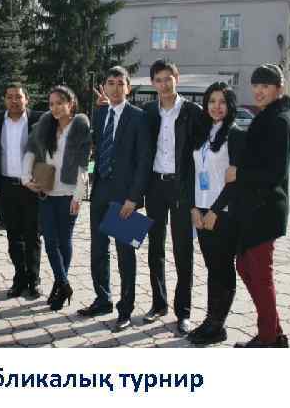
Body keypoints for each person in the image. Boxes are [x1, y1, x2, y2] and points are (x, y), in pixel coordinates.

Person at [78, 66, 152, 332]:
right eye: (111, 83)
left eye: (121, 83)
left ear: (128, 88)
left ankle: (125, 309)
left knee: (125, 255)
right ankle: (103, 300)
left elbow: (144, 161)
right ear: (105, 87)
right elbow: (96, 147)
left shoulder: (139, 117)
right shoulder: (100, 113)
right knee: (98, 249)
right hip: (100, 191)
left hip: (124, 196)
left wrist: (134, 198)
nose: (116, 87)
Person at [226, 63, 290, 348]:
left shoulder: (278, 122)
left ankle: (268, 340)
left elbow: (275, 172)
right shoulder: (265, 117)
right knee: (245, 266)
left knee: (260, 275)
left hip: (265, 209)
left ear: (279, 88)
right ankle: (273, 331)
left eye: (265, 86)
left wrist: (239, 173)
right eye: (256, 85)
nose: (259, 91)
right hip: (252, 208)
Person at [142, 60, 202, 335]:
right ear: (152, 83)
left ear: (177, 78)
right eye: (159, 80)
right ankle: (158, 303)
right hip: (155, 186)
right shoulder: (148, 112)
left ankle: (184, 311)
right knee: (155, 247)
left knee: (182, 250)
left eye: (169, 78)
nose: (164, 84)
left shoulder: (192, 112)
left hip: (181, 188)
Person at [185, 82, 246, 345]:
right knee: (212, 267)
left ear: (230, 106)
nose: (216, 107)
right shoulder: (202, 133)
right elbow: (192, 173)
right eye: (212, 101)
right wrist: (193, 208)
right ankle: (211, 320)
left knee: (223, 268)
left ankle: (218, 324)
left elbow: (235, 182)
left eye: (222, 102)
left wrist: (215, 210)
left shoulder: (236, 135)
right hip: (200, 210)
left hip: (223, 213)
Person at [22, 86, 91, 311]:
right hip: (47, 191)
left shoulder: (79, 125)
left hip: (69, 193)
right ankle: (64, 285)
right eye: (51, 104)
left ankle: (59, 287)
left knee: (64, 240)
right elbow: (31, 149)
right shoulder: (46, 124)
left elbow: (83, 164)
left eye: (60, 103)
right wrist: (25, 177)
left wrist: (78, 196)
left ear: (71, 103)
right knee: (50, 242)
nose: (55, 108)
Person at [0, 83, 44, 298]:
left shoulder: (39, 119)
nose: (14, 101)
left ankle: (34, 279)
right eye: (9, 97)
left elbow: (66, 119)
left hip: (31, 188)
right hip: (7, 187)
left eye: (18, 97)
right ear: (4, 100)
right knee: (13, 236)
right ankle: (19, 278)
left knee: (33, 236)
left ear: (26, 99)